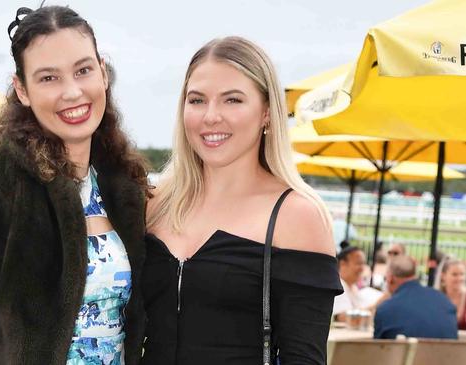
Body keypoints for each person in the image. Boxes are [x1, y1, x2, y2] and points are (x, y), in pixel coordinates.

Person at [0, 5, 149, 365]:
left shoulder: (125, 187)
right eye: (48, 78)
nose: (72, 92)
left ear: (103, 73)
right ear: (21, 90)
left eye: (83, 70)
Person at [142, 36, 342, 365]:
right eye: (197, 100)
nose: (210, 116)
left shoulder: (296, 215)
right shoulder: (155, 202)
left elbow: (304, 358)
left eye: (232, 100)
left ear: (266, 112)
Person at [374, 255, 458, 339]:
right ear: (415, 275)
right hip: (446, 352)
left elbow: (379, 348)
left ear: (390, 278)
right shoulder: (445, 302)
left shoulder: (386, 309)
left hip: (406, 351)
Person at [333, 247, 382, 320]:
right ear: (343, 264)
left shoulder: (353, 288)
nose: (362, 268)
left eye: (363, 264)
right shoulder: (338, 286)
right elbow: (344, 317)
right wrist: (380, 303)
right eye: (358, 263)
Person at [437, 259, 466, 330]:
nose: (460, 278)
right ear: (443, 276)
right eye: (454, 274)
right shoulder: (436, 297)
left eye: (462, 274)